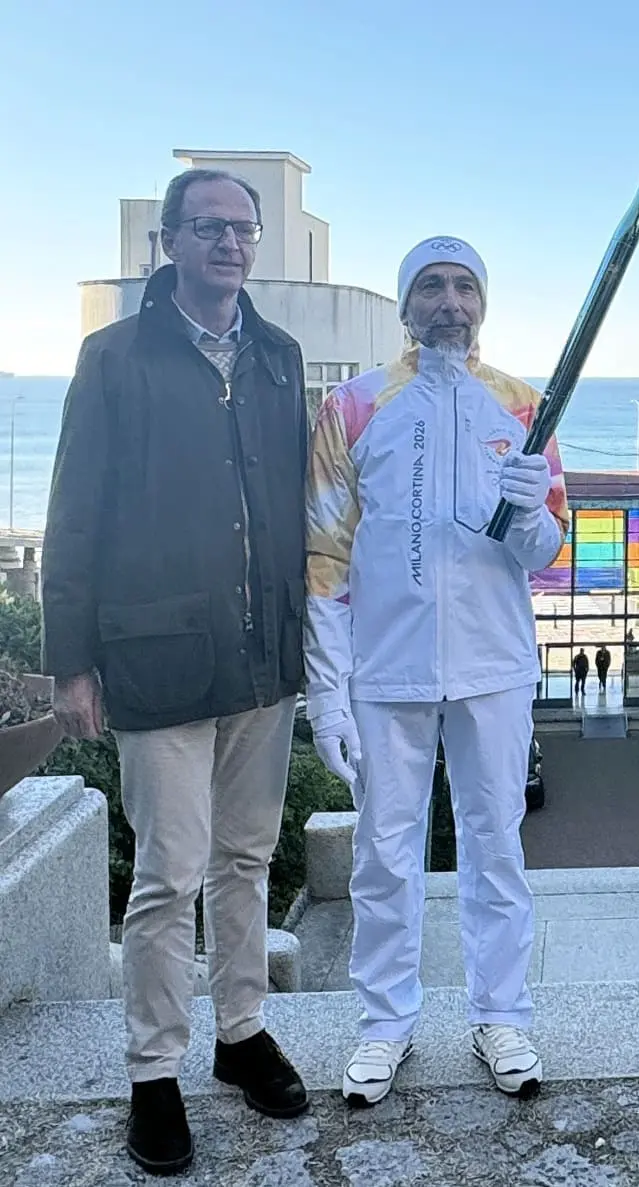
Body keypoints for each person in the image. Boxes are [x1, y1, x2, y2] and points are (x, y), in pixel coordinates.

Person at [40, 167, 311, 1175]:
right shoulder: (114, 358)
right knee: (168, 873)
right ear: (168, 242)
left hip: (264, 654)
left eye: (243, 228)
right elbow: (74, 513)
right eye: (208, 228)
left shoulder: (280, 356)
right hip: (157, 655)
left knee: (248, 855)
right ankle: (154, 1069)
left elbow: (299, 500)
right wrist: (70, 661)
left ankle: (241, 1030)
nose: (230, 243)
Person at [304, 236, 570, 1106]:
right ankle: (385, 1022)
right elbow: (325, 558)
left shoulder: (524, 407)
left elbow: (547, 550)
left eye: (464, 287)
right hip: (387, 671)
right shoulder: (353, 406)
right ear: (405, 304)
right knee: (385, 854)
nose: (449, 301)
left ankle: (502, 1015)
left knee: (497, 847)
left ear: (482, 303)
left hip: (494, 666)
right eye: (431, 286)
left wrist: (528, 511)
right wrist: (327, 691)